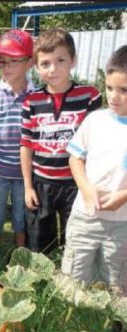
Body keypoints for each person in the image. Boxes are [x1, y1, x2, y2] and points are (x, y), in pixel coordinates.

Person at [20, 28, 102, 254]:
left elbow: (96, 141)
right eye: (45, 63)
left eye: (60, 60)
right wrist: (28, 186)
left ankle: (73, 280)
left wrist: (90, 183)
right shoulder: (31, 101)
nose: (53, 69)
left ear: (73, 61)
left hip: (75, 182)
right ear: (36, 66)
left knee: (76, 239)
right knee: (40, 241)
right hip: (42, 181)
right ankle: (43, 281)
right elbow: (26, 146)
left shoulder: (90, 96)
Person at [61, 45, 127, 295]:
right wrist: (86, 189)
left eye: (124, 90)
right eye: (109, 88)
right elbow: (75, 158)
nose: (114, 97)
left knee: (117, 279)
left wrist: (123, 196)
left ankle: (111, 328)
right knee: (74, 276)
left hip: (123, 223)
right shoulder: (95, 121)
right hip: (85, 216)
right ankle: (70, 320)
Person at [0, 30, 34, 255]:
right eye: (1, 62)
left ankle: (21, 253)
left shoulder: (37, 95)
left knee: (22, 215)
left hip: (25, 173)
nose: (6, 67)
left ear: (30, 62)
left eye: (13, 61)